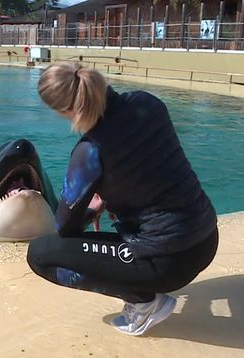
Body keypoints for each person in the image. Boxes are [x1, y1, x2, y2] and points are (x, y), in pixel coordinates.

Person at [27, 62, 219, 336]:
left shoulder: (89, 152)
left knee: (41, 254)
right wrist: (111, 193)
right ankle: (146, 290)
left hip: (168, 262)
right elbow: (148, 162)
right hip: (207, 238)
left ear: (65, 111)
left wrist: (92, 209)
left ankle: (145, 303)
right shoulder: (149, 103)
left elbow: (65, 227)